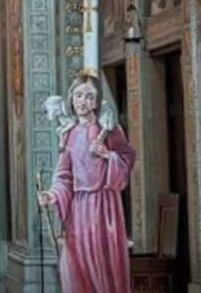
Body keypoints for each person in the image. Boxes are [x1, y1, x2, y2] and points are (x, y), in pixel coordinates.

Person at [37, 75, 135, 293]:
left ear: (97, 101)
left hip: (105, 208)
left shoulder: (109, 129)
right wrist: (52, 195)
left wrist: (108, 154)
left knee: (103, 262)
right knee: (77, 263)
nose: (83, 101)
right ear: (71, 98)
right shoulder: (69, 134)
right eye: (79, 95)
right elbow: (64, 174)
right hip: (79, 210)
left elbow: (127, 157)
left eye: (90, 96)